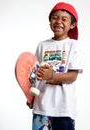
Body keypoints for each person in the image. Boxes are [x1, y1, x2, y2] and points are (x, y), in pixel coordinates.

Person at [28, 2, 83, 130]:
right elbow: (36, 74)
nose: (59, 21)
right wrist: (31, 96)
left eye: (64, 19)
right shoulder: (42, 45)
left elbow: (73, 76)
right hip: (41, 107)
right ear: (50, 22)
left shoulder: (73, 46)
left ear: (72, 25)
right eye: (55, 18)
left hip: (64, 109)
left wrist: (52, 75)